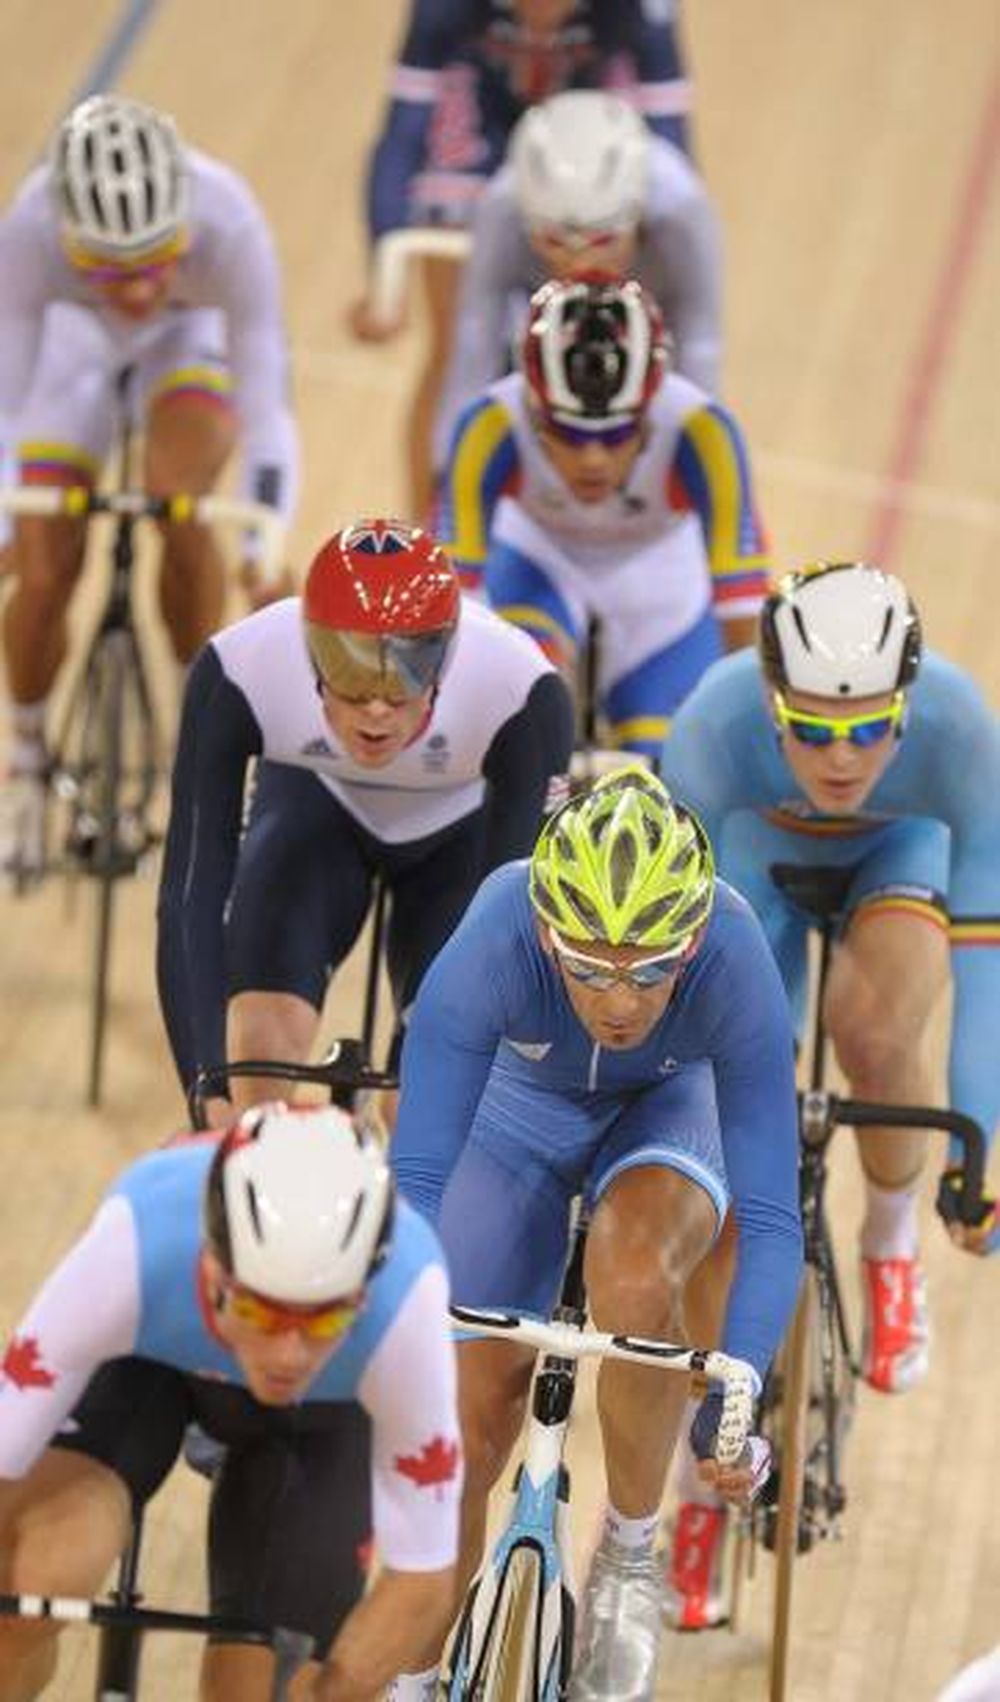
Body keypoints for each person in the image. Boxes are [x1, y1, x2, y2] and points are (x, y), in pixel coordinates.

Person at [389, 763, 803, 1702]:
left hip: (667, 1109)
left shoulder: (737, 956)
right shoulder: (496, 930)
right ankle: (411, 1672)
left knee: (634, 1272)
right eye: (587, 967)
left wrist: (736, 1391)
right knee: (464, 1420)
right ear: (546, 931)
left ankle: (628, 1554)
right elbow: (416, 1172)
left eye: (651, 970)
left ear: (692, 940)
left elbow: (775, 1216)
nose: (620, 1001)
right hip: (518, 1112)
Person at [658, 560, 1000, 1627]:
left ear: (906, 701)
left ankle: (886, 1242)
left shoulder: (960, 732)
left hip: (899, 857)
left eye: (866, 730)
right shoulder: (709, 730)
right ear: (770, 701)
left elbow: (984, 962)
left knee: (872, 1026)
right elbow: (672, 980)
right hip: (747, 866)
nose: (838, 757)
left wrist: (976, 1145)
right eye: (809, 729)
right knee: (721, 1148)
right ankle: (697, 1483)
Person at [0, 1102, 462, 1701]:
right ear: (214, 1270)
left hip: (321, 1417)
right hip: (150, 1372)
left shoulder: (408, 1300)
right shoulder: (134, 1240)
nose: (289, 1354)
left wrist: (329, 1692)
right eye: (258, 1311)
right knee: (29, 1584)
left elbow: (423, 1578)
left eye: (325, 1320)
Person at [157, 517, 574, 1110]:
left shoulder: (520, 688)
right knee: (256, 1069)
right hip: (314, 812)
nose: (376, 710)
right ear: (310, 647)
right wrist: (209, 1089)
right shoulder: (241, 667)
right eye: (349, 676)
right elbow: (190, 897)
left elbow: (515, 916)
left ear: (447, 655)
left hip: (458, 838)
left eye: (407, 674)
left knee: (425, 1105)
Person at [0, 93, 297, 880]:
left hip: (186, 343)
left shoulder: (229, 221)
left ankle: (188, 732)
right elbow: (4, 403)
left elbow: (266, 414)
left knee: (182, 501)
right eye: (106, 266)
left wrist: (262, 538)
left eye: (156, 260)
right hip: (69, 348)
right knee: (41, 563)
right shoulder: (30, 226)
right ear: (68, 236)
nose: (134, 289)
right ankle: (24, 757)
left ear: (184, 229)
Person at [351, 0, 694, 516]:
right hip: (483, 124)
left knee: (605, 270)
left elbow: (670, 149)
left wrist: (646, 243)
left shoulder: (643, 10)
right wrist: (384, 276)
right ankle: (430, 523)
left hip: (591, 124)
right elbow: (402, 133)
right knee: (454, 349)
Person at [438, 276, 771, 765]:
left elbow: (741, 606)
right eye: (568, 433)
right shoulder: (489, 426)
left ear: (650, 410)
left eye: (616, 434)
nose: (592, 459)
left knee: (670, 765)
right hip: (537, 562)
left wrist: (745, 730)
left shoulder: (703, 432)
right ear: (533, 407)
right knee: (517, 731)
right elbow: (452, 600)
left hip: (659, 586)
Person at [432, 88, 723, 470]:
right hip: (545, 309)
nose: (579, 261)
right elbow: (475, 336)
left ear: (638, 214)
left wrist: (701, 457)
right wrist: (448, 467)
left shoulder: (683, 208)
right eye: (553, 241)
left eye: (602, 239)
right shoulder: (502, 205)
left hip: (651, 305)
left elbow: (699, 341)